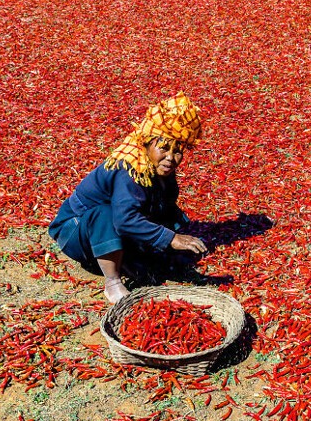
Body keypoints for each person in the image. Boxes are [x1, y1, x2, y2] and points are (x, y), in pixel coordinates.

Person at [49, 92, 208, 303]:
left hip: (102, 228)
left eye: (178, 151)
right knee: (106, 214)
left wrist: (169, 239)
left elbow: (164, 207)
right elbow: (124, 220)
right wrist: (171, 238)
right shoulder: (130, 169)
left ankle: (128, 260)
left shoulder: (160, 169)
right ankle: (113, 282)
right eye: (163, 147)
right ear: (147, 143)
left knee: (160, 205)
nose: (171, 157)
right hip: (74, 231)